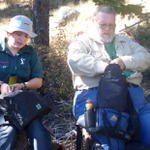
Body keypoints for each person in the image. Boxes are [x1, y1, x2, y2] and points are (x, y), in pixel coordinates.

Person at [67, 5, 150, 148]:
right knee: (110, 139)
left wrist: (124, 62)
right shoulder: (82, 42)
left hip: (133, 95)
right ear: (93, 22)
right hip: (95, 95)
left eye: (111, 25)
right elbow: (75, 61)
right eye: (102, 25)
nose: (107, 29)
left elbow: (145, 57)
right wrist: (107, 67)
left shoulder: (125, 41)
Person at [0, 15, 52, 150]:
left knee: (38, 131)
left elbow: (38, 81)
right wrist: (1, 86)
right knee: (8, 131)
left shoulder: (30, 53)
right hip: (2, 103)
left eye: (25, 36)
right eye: (18, 34)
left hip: (24, 100)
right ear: (8, 33)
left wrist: (23, 85)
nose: (21, 39)